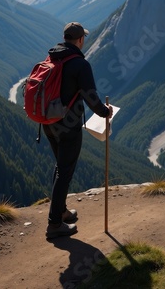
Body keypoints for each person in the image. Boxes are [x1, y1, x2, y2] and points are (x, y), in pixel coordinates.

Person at [44, 21, 113, 240]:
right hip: (68, 125)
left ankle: (61, 210)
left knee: (60, 167)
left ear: (65, 38)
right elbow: (90, 97)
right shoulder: (80, 65)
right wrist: (105, 112)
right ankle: (54, 224)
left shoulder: (52, 58)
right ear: (81, 40)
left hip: (47, 122)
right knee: (65, 171)